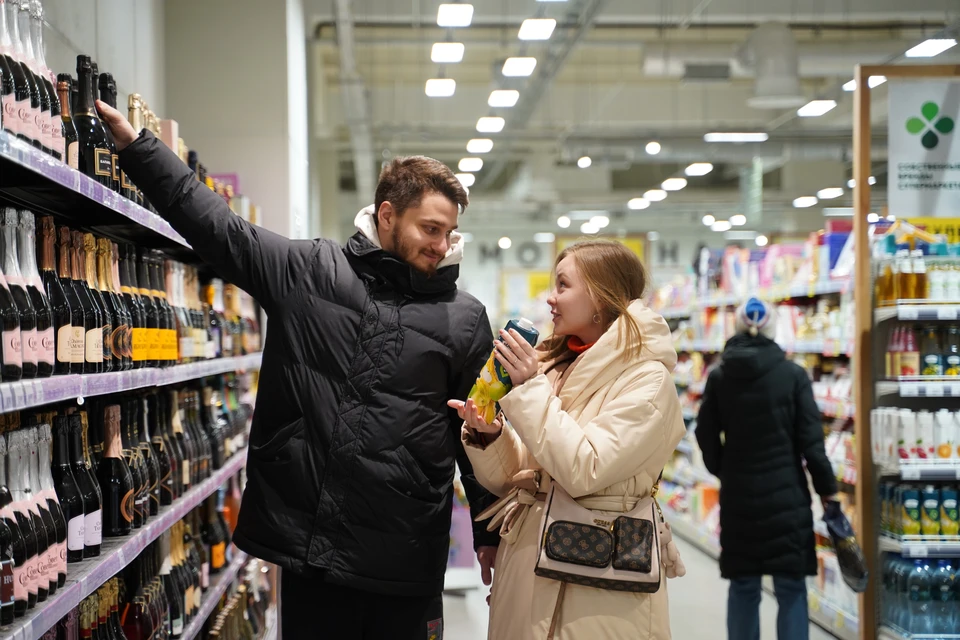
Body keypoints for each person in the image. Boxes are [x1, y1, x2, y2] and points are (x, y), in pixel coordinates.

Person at [94, 100, 500, 639]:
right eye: (430, 228)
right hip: (315, 549)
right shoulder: (311, 271)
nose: (442, 246)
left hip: (407, 556)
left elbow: (475, 426)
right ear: (387, 216)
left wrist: (487, 529)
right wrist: (140, 150)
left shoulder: (465, 319)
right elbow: (220, 229)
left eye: (450, 234)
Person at [450, 240, 686, 640]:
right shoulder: (556, 365)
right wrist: (489, 436)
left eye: (562, 286)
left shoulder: (647, 380)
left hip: (596, 582)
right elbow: (518, 476)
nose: (550, 299)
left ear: (600, 295)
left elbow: (584, 469)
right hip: (528, 564)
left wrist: (527, 388)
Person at [695, 298, 839, 640]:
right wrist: (828, 492)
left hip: (739, 498)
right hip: (787, 498)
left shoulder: (719, 376)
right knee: (791, 589)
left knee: (743, 587)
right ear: (774, 328)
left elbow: (704, 432)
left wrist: (723, 469)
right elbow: (812, 445)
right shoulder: (793, 375)